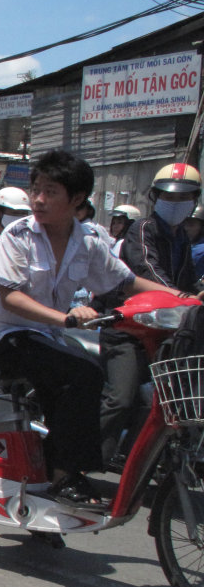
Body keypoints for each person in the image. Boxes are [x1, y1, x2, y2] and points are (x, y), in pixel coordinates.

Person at [0, 149, 171, 508]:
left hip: (45, 337)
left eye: (50, 192)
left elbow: (127, 282)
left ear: (77, 198)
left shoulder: (90, 241)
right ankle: (65, 474)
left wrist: (182, 296)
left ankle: (43, 478)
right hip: (5, 335)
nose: (38, 199)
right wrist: (63, 318)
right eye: (36, 189)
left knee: (75, 386)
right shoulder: (17, 236)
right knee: (84, 374)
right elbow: (10, 300)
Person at [96, 162, 203, 467]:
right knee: (122, 398)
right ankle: (84, 462)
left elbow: (190, 280)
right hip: (129, 330)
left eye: (183, 198)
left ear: (194, 200)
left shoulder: (183, 237)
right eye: (168, 197)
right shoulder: (142, 229)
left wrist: (195, 292)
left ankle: (138, 458)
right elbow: (146, 270)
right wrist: (181, 296)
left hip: (165, 331)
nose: (175, 203)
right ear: (155, 197)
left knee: (171, 399)